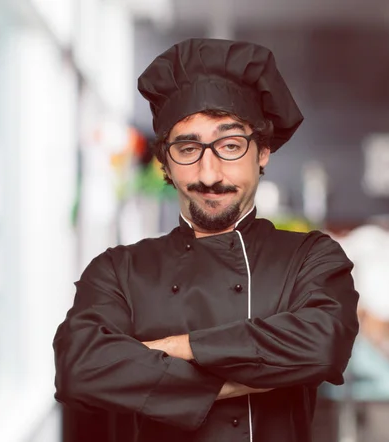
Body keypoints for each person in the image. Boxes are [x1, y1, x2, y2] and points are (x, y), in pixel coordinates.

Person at [53, 38, 359, 442]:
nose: (209, 173)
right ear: (164, 159)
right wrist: (235, 381)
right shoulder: (118, 270)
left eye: (230, 145)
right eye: (188, 148)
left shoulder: (310, 257)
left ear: (262, 150)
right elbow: (79, 367)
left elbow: (321, 346)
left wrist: (175, 349)